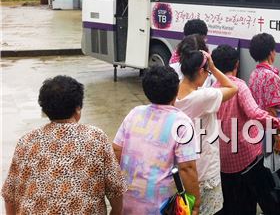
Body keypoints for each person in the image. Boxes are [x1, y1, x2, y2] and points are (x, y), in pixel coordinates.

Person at [2, 75, 126, 215]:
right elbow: (116, 191)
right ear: (78, 108)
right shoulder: (96, 138)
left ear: (44, 109)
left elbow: (9, 195)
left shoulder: (26, 141)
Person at [113, 66, 200, 215]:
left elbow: (116, 150)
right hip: (160, 207)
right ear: (176, 90)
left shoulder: (135, 113)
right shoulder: (181, 122)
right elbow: (187, 168)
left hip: (127, 202)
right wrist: (195, 204)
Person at [211, 44, 280, 215]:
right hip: (245, 155)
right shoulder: (239, 86)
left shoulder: (211, 89)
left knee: (228, 198)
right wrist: (277, 122)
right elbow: (255, 113)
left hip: (221, 156)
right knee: (246, 199)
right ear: (236, 64)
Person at [175, 45, 239, 215]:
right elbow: (233, 88)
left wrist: (208, 67)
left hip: (183, 170)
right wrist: (213, 67)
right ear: (201, 71)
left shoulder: (174, 92)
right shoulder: (203, 97)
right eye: (207, 72)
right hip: (205, 169)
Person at [248, 33, 280, 122]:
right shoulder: (270, 76)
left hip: (260, 122)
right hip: (278, 121)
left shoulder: (254, 74)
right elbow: (271, 109)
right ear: (270, 52)